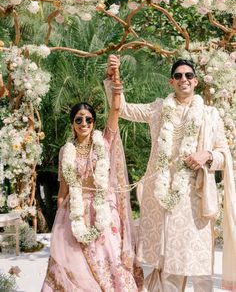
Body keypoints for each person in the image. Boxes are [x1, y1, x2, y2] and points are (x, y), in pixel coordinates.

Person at [105, 55, 236, 292]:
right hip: (162, 196)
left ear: (196, 82)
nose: (183, 79)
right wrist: (113, 78)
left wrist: (205, 155)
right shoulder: (158, 109)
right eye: (178, 76)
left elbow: (223, 156)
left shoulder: (210, 115)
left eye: (188, 76)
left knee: (199, 263)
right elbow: (122, 108)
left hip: (194, 197)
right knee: (169, 264)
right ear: (171, 82)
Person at [41, 68, 144, 291]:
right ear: (72, 123)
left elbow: (116, 108)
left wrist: (114, 78)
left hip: (103, 211)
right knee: (75, 267)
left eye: (88, 119)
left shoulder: (104, 143)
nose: (84, 123)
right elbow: (62, 193)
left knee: (111, 260)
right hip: (74, 213)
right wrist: (60, 225)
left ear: (94, 123)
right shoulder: (65, 151)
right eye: (79, 119)